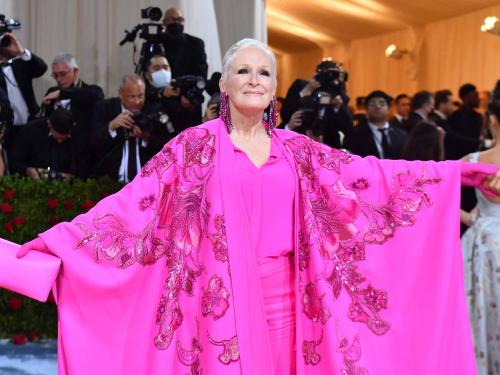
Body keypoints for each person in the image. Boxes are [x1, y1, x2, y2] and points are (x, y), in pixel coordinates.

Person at [2, 39, 500, 375]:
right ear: (223, 84)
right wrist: (50, 250)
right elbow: (132, 208)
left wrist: (461, 171)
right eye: (243, 70)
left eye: (265, 72)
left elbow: (371, 177)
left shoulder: (299, 151)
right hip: (223, 308)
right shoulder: (193, 147)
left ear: (275, 87)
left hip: (295, 305)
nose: (254, 78)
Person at [461, 82, 500, 375]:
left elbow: (435, 193)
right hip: (486, 240)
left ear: (493, 120)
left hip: (484, 246)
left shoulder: (474, 162)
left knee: (483, 317)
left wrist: (475, 219)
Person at [90, 74, 164, 182]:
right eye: (132, 97)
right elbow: (93, 144)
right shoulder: (105, 108)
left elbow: (165, 147)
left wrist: (145, 137)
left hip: (146, 183)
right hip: (111, 182)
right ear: (120, 94)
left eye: (140, 96)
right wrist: (111, 127)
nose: (137, 101)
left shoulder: (153, 110)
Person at [41, 53, 104, 177]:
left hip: (82, 151)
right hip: (56, 150)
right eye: (55, 75)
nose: (59, 79)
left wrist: (63, 93)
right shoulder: (52, 92)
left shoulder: (89, 90)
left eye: (63, 74)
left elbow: (96, 95)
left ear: (75, 71)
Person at [0, 32, 47, 157]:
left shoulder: (19, 64)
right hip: (6, 130)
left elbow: (41, 68)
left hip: (30, 125)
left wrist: (21, 52)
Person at [9, 108, 80, 179]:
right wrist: (27, 170)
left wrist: (73, 176)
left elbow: (82, 165)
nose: (60, 141)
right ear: (49, 124)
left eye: (64, 138)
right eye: (58, 138)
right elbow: (15, 162)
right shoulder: (30, 131)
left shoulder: (77, 134)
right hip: (34, 180)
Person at [343, 90, 406, 159]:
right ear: (366, 109)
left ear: (389, 108)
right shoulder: (354, 135)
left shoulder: (402, 135)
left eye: (382, 103)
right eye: (372, 104)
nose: (377, 106)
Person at [161, 7, 208, 79]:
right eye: (172, 19)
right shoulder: (155, 42)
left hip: (188, 87)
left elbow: (201, 73)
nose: (176, 22)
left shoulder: (196, 43)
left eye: (180, 20)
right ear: (164, 22)